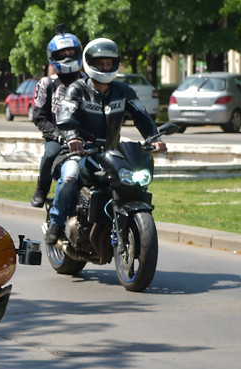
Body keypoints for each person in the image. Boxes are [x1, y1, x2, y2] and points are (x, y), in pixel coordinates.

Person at [44, 38, 165, 245]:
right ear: (90, 63)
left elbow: (141, 115)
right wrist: (73, 138)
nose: (105, 67)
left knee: (133, 182)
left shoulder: (123, 91)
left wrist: (154, 138)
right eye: (101, 63)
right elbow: (66, 113)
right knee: (71, 177)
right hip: (79, 152)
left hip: (111, 153)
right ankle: (55, 223)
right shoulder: (77, 89)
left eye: (109, 63)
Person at [31, 26, 83, 207]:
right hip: (56, 136)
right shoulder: (47, 83)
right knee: (49, 155)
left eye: (71, 52)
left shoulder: (88, 83)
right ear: (53, 57)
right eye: (62, 54)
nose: (67, 56)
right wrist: (58, 135)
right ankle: (42, 188)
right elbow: (39, 117)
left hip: (85, 136)